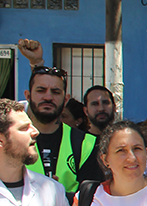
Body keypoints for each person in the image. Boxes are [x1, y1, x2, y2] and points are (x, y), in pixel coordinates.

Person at [16, 44, 103, 196]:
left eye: (56, 92)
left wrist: (59, 196)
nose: (48, 97)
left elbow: (91, 201)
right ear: (28, 96)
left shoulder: (86, 144)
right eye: (41, 91)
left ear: (66, 99)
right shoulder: (11, 142)